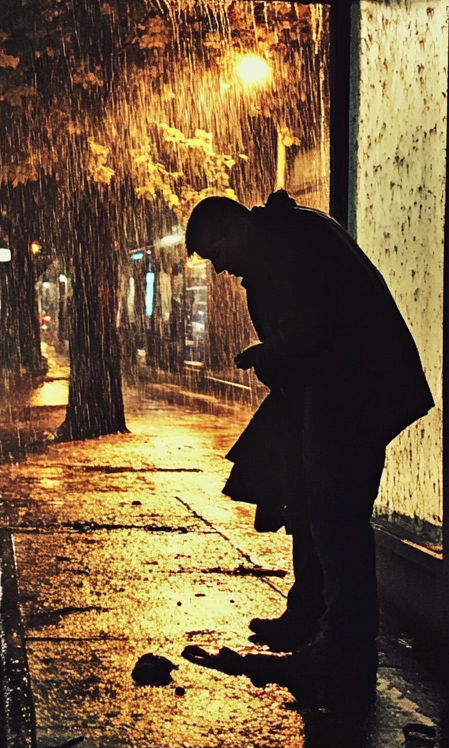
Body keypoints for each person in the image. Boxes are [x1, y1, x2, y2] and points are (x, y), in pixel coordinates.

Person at [183, 190, 434, 701]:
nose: (220, 269)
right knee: (310, 500)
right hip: (342, 390)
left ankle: (343, 651)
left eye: (216, 253)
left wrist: (267, 353)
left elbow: (315, 329)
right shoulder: (286, 239)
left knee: (335, 514)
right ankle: (312, 618)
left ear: (233, 231)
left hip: (354, 394)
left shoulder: (289, 244)